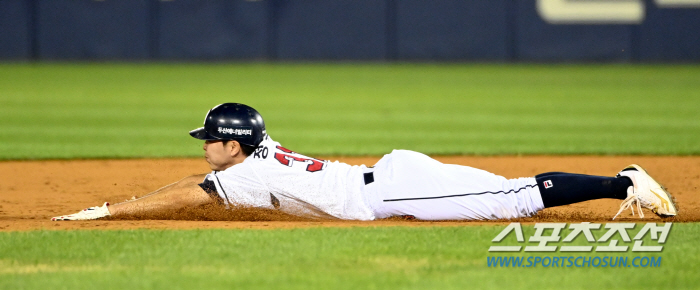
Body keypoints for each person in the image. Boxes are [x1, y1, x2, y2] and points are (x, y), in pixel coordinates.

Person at [52, 103, 678, 221]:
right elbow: (202, 184)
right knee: (506, 190)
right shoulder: (258, 158)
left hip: (391, 193)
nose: (204, 148)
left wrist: (110, 210)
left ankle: (622, 183)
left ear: (234, 147)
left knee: (512, 198)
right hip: (394, 174)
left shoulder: (246, 170)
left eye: (210, 140)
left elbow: (194, 192)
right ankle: (621, 179)